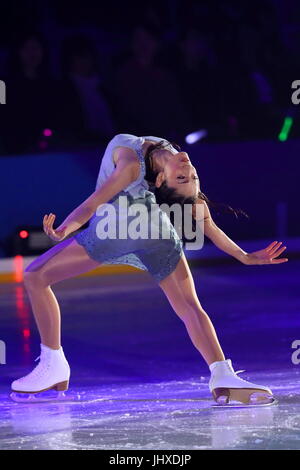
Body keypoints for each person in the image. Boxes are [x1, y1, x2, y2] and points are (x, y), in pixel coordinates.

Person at [11, 134, 288, 405]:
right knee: (190, 307)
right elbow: (207, 224)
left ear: (159, 181)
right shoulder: (168, 156)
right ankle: (223, 375)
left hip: (116, 230)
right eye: (190, 177)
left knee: (36, 275)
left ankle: (53, 364)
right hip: (158, 234)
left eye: (184, 178)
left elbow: (94, 203)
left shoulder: (131, 163)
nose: (189, 171)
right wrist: (243, 256)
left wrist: (63, 231)